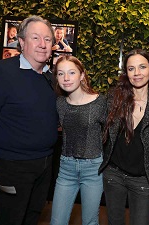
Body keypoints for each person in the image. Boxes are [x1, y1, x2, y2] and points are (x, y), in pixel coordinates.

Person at [0, 15, 58, 225]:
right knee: (10, 220)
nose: (43, 44)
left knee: (32, 217)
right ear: (22, 42)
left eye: (47, 39)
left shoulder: (50, 77)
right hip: (12, 165)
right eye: (36, 38)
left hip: (44, 165)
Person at [99, 49, 149, 225]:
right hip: (113, 175)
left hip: (143, 179)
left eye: (142, 67)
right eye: (131, 69)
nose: (137, 73)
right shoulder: (115, 97)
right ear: (126, 72)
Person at [50, 55, 106, 225]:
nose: (66, 78)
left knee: (90, 222)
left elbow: (111, 134)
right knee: (57, 222)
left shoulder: (100, 102)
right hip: (66, 168)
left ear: (82, 75)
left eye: (71, 72)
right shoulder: (59, 103)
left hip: (93, 169)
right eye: (60, 74)